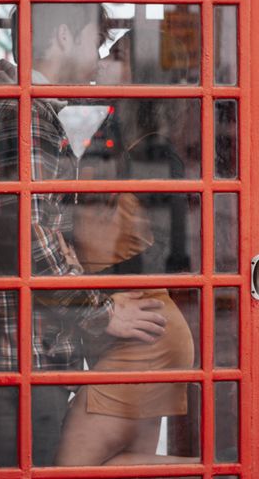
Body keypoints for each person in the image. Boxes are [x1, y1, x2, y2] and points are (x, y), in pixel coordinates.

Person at [0, 4, 167, 467]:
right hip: (22, 354)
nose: (99, 55)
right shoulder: (25, 114)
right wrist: (100, 311)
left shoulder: (22, 107)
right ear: (65, 36)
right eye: (97, 39)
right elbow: (26, 234)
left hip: (26, 348)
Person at [54, 32, 195, 466]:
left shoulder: (151, 153)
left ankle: (228, 469)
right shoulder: (115, 136)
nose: (102, 58)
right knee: (124, 468)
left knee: (69, 469)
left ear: (142, 74)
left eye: (116, 54)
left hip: (141, 331)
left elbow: (166, 253)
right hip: (133, 326)